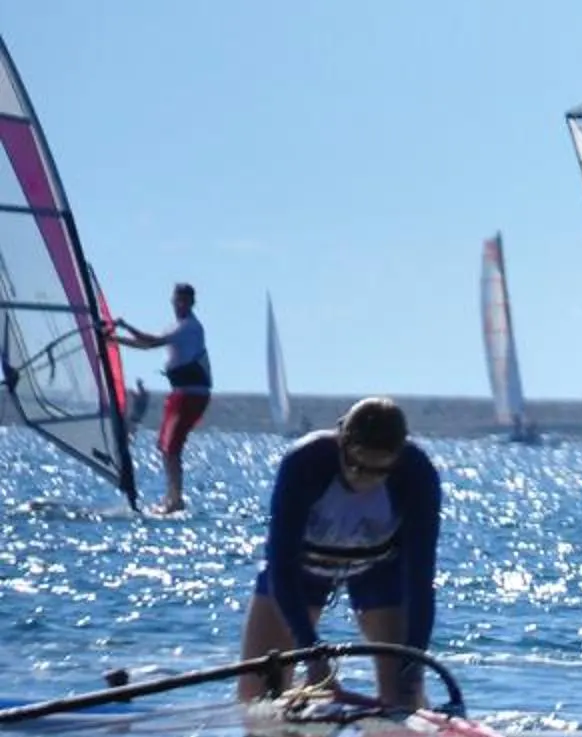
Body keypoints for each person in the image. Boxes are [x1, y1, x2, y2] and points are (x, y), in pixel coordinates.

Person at [238, 396, 443, 710]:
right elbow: (282, 566)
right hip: (301, 573)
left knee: (404, 695)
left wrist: (412, 668)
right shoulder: (304, 463)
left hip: (378, 569)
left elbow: (420, 582)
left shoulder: (417, 474)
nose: (365, 478)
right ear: (342, 445)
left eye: (379, 471)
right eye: (357, 466)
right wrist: (311, 652)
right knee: (257, 698)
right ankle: (301, 697)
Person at [113, 282, 210, 514]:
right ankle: (171, 497)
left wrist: (125, 326)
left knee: (172, 446)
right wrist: (114, 340)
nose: (180, 305)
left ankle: (176, 499)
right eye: (177, 300)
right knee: (165, 446)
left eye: (184, 301)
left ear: (192, 303)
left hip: (192, 395)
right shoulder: (176, 327)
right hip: (179, 394)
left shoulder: (190, 327)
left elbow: (153, 341)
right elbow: (145, 346)